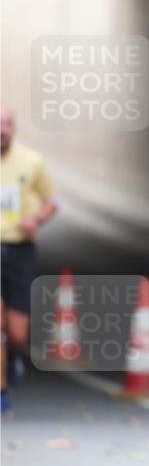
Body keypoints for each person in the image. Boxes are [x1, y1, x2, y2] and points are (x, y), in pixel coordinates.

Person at [1, 106, 58, 412]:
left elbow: (53, 201)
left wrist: (36, 220)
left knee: (16, 332)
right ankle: (1, 392)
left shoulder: (31, 162)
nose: (2, 130)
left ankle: (14, 357)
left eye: (7, 124)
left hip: (20, 251)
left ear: (14, 128)